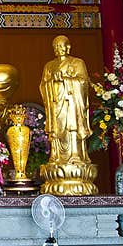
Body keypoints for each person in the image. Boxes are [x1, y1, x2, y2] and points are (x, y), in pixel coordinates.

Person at [39, 35, 92, 166]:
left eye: (61, 45)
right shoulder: (49, 66)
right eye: (55, 46)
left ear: (68, 47)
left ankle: (75, 155)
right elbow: (42, 85)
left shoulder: (77, 63)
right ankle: (56, 156)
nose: (58, 48)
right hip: (55, 102)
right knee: (56, 129)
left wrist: (65, 80)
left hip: (71, 103)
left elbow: (84, 82)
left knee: (72, 126)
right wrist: (52, 82)